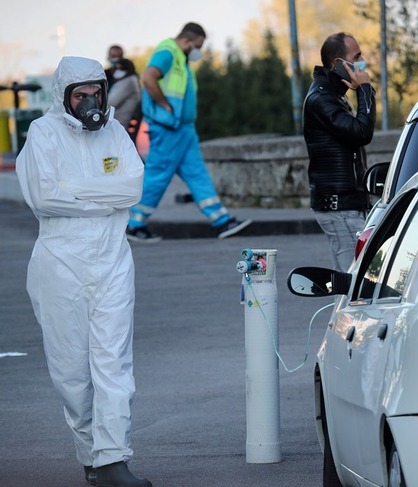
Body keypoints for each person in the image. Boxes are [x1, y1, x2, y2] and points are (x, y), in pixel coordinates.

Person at [15, 56, 152, 487]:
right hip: (60, 261)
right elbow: (44, 198)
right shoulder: (43, 133)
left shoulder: (114, 132)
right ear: (64, 97)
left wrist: (77, 192)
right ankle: (91, 457)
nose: (91, 100)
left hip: (112, 257)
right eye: (81, 94)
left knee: (114, 362)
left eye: (96, 91)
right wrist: (104, 198)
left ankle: (114, 459)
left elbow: (132, 187)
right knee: (72, 370)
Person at [127, 22, 252, 241]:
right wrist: (165, 106)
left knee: (197, 174)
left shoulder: (180, 58)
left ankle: (221, 221)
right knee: (157, 176)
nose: (199, 51)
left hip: (183, 129)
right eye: (198, 46)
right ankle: (134, 224)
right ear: (187, 41)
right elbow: (147, 77)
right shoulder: (168, 52)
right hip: (169, 128)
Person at [303, 32, 376, 271]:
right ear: (338, 64)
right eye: (357, 57)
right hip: (338, 206)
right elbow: (361, 132)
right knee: (353, 281)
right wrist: (365, 89)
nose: (362, 62)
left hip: (346, 204)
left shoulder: (334, 95)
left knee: (349, 283)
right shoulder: (322, 99)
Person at [108, 57, 143, 143]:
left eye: (117, 68)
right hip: (119, 125)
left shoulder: (127, 82)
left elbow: (109, 103)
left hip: (117, 125)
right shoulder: (132, 80)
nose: (115, 71)